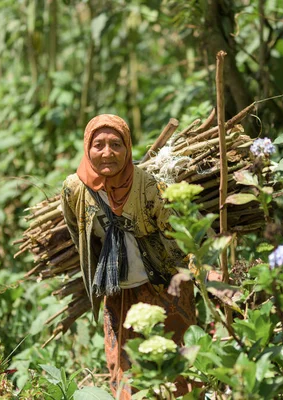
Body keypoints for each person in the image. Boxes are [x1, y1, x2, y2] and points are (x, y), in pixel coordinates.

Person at [60, 114, 196, 399]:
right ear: (87, 148)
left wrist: (197, 271)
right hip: (118, 293)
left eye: (116, 144)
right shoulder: (74, 189)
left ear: (128, 147)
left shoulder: (146, 184)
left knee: (177, 372)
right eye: (99, 145)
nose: (107, 153)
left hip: (162, 285)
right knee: (126, 378)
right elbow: (78, 235)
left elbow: (177, 232)